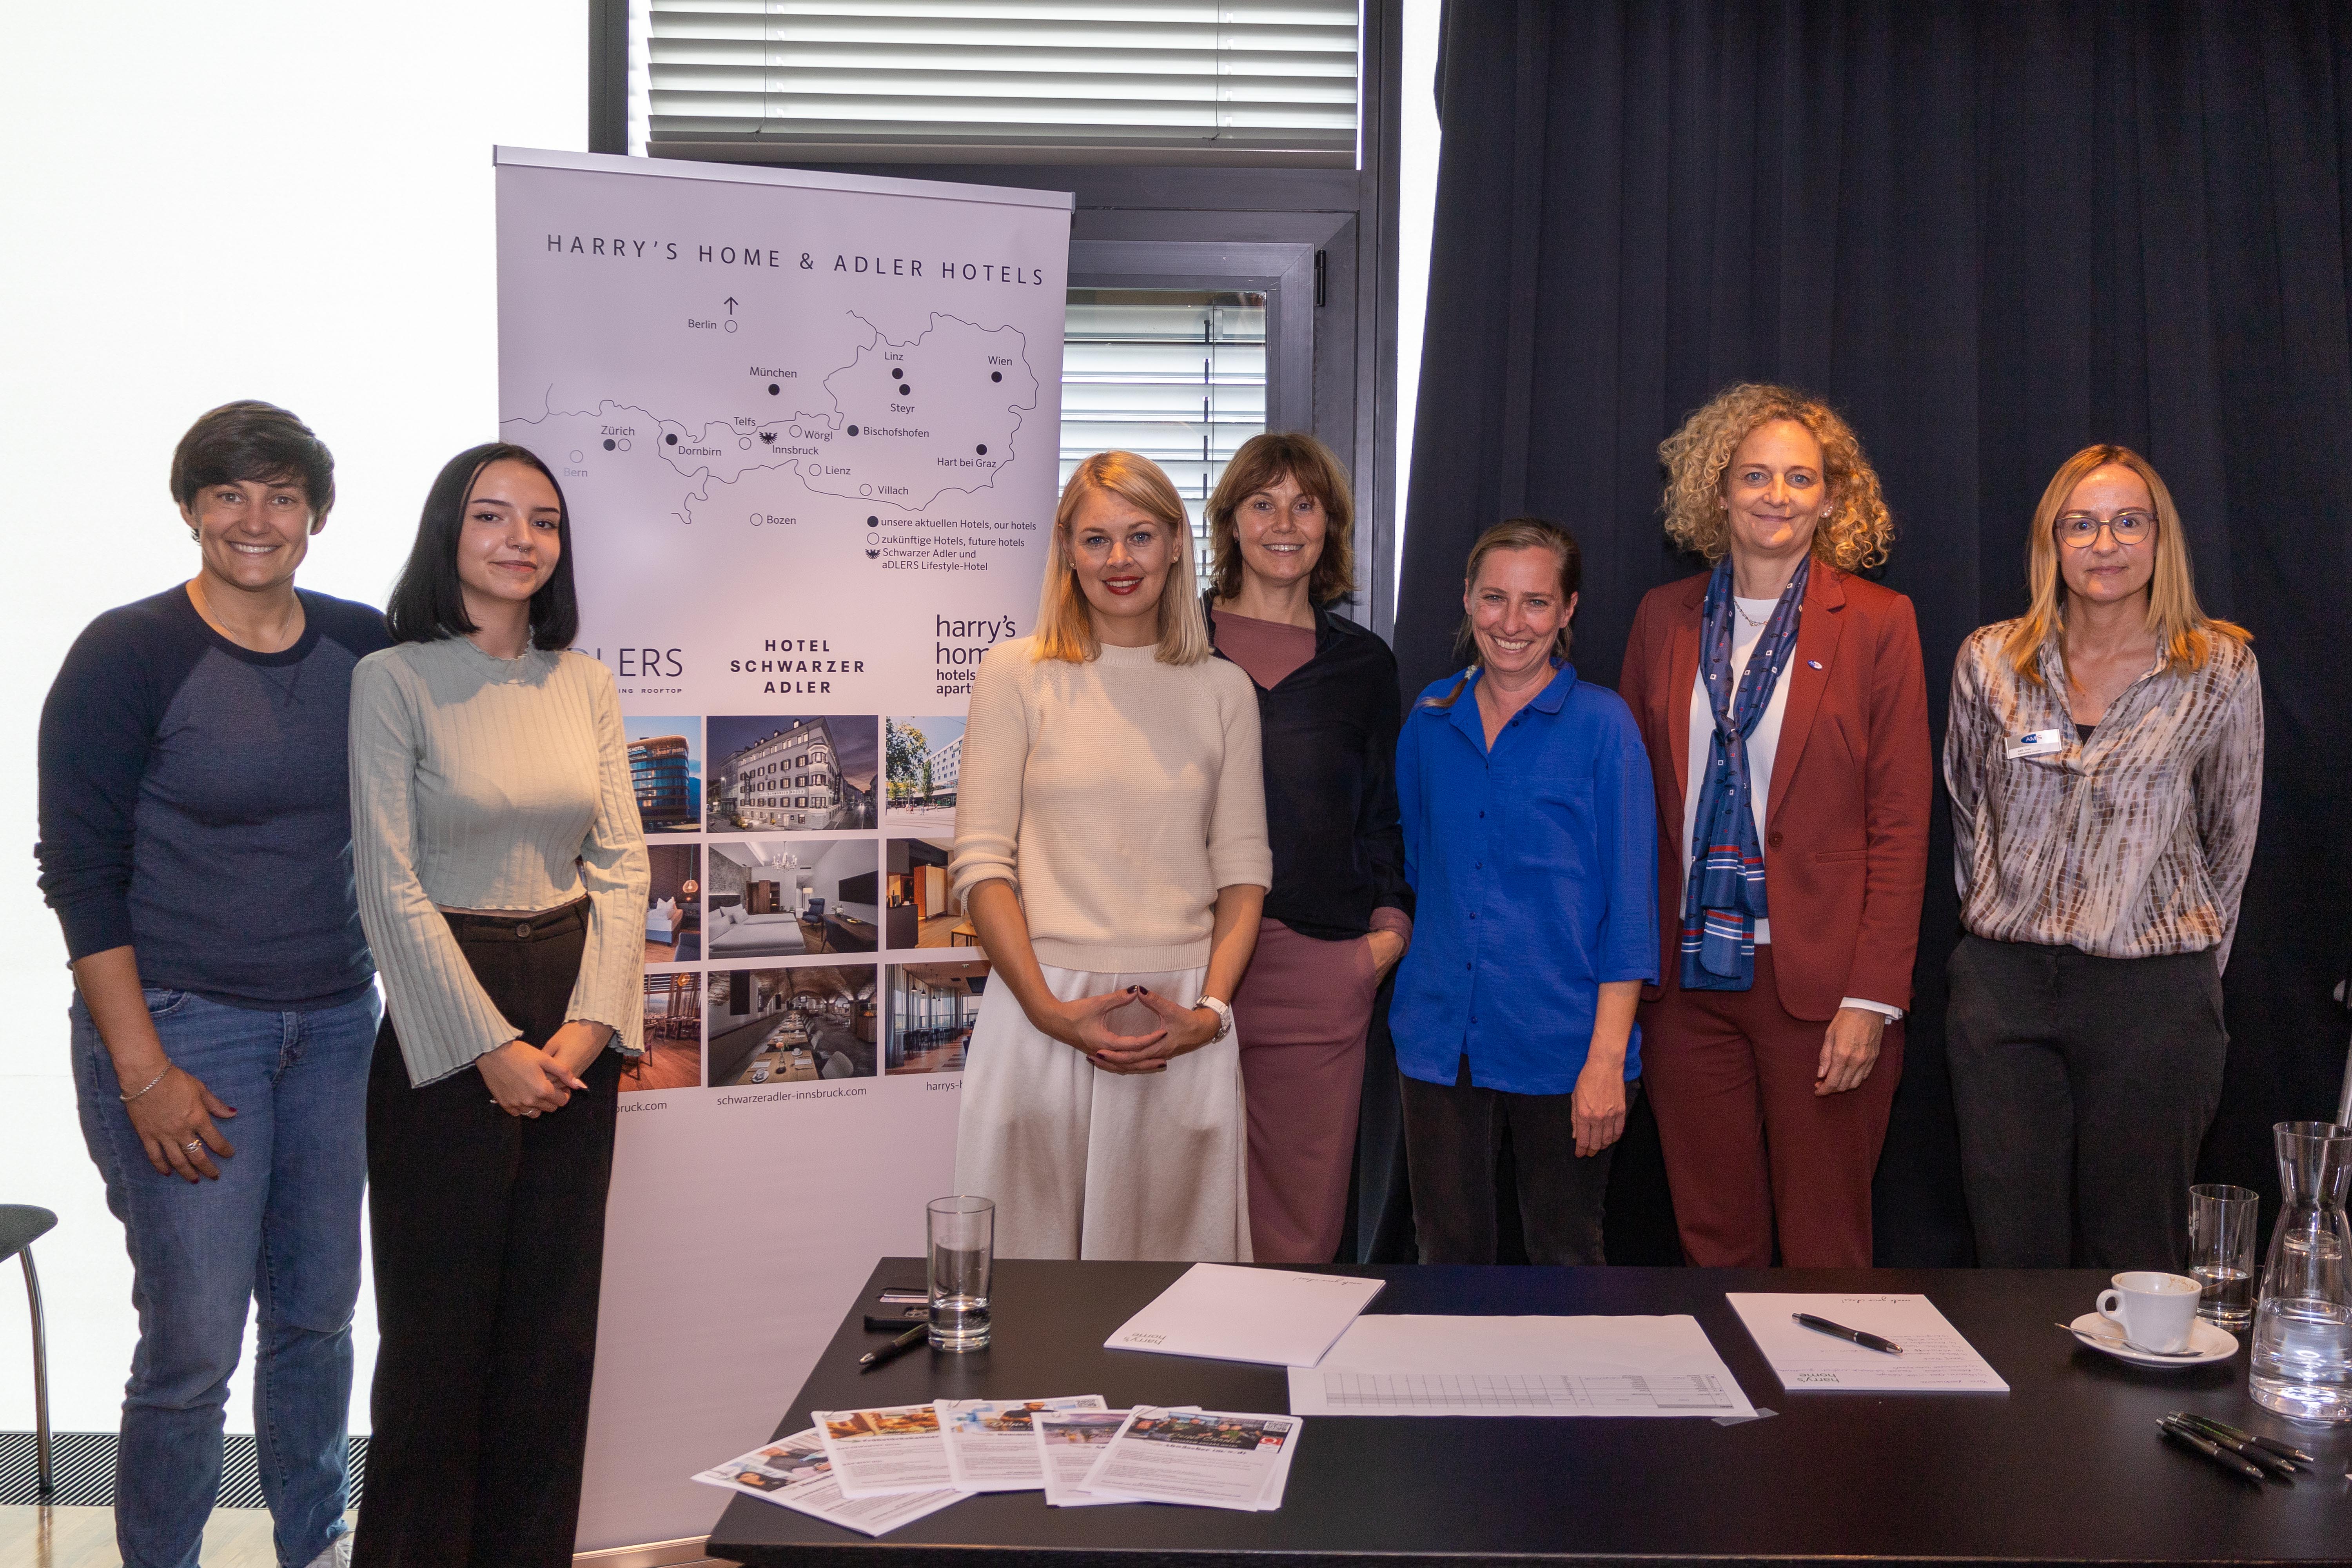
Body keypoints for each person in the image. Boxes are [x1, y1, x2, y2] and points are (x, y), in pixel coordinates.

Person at [36, 401, 388, 1568]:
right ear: (190, 509)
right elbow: (79, 877)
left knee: (319, 1317)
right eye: (229, 494)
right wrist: (145, 1074)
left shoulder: (362, 644)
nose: (256, 519)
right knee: (191, 1346)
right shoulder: (127, 653)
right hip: (183, 1030)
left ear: (317, 515)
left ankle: (311, 1546)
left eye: (282, 495)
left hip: (337, 1024)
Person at [350, 443, 649, 1568]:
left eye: (544, 521)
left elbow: (623, 868)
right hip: (446, 1019)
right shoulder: (394, 679)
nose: (521, 539)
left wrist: (588, 1028)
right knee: (435, 1350)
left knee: (551, 1338)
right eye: (492, 517)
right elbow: (389, 882)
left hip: (574, 1006)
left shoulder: (586, 683)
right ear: (449, 534)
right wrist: (490, 1049)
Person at [1618, 383, 1931, 1269]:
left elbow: (1903, 822)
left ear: (1833, 496)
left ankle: (1828, 1415)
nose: (1776, 495)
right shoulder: (1662, 617)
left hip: (1822, 986)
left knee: (1826, 1241)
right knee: (1715, 1238)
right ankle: (1733, 1410)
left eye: (1801, 477)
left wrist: (1872, 999)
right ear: (1718, 491)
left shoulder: (1878, 622)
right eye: (1754, 475)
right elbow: (1639, 811)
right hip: (1686, 983)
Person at [1944, 443, 2259, 1269]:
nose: (2105, 544)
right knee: (2012, 1253)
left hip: (2153, 998)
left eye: (2127, 522)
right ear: (2053, 542)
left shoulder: (2218, 667)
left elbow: (2232, 835)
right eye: (2080, 525)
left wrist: (2186, 976)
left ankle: (2130, 1408)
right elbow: (1969, 813)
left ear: (2161, 540)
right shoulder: (1990, 661)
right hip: (2006, 993)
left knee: (2138, 1253)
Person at [951, 450, 1271, 1261]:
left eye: (1140, 536)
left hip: (1183, 1023)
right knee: (1028, 1301)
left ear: (1174, 546)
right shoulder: (1014, 674)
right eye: (1096, 540)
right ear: (1066, 550)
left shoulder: (1224, 689)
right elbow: (982, 866)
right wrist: (1049, 1010)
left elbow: (1243, 874)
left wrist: (1211, 1015)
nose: (1119, 560)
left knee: (1178, 1315)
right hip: (1039, 1014)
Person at [1390, 518, 1657, 1265]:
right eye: (1495, 598)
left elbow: (1632, 911)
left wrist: (1607, 1060)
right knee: (1447, 1252)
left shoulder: (1606, 727)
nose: (1512, 624)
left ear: (1568, 611)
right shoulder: (1429, 721)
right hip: (1440, 1041)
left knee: (1565, 1254)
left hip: (1566, 1043)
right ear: (1467, 599)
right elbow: (1420, 867)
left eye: (1536, 603)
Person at [1202, 433, 1410, 1265]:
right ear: (1230, 522)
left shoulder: (1364, 664)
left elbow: (1383, 813)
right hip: (1186, 962)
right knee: (1181, 1210)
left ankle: (1287, 1393)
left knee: (1299, 1234)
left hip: (1319, 967)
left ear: (1331, 526)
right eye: (1263, 502)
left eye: (1305, 504)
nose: (1284, 523)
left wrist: (1383, 936)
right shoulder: (1176, 647)